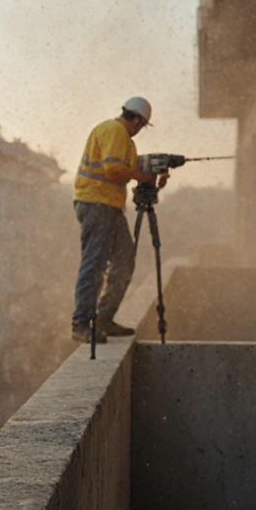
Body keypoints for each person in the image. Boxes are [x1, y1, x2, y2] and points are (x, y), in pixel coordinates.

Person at [71, 97, 167, 343]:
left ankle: (103, 317)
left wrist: (152, 175)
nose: (140, 129)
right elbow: (113, 170)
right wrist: (143, 176)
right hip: (96, 204)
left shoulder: (124, 139)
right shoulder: (114, 130)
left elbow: (131, 168)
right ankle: (81, 323)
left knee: (124, 259)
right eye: (142, 125)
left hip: (110, 206)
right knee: (95, 263)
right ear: (136, 120)